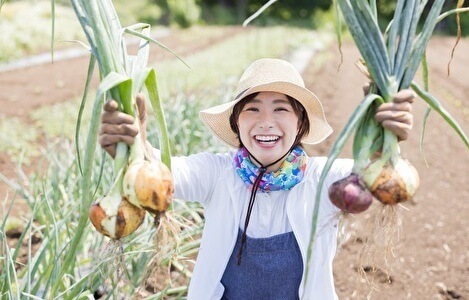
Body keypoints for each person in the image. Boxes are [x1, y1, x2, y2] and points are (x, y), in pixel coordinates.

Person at [99, 58, 414, 299]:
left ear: (301, 124)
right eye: (252, 110)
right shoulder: (217, 174)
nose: (266, 123)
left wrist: (383, 142)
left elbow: (372, 178)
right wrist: (133, 144)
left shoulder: (323, 180)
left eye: (281, 109)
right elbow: (162, 172)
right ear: (236, 124)